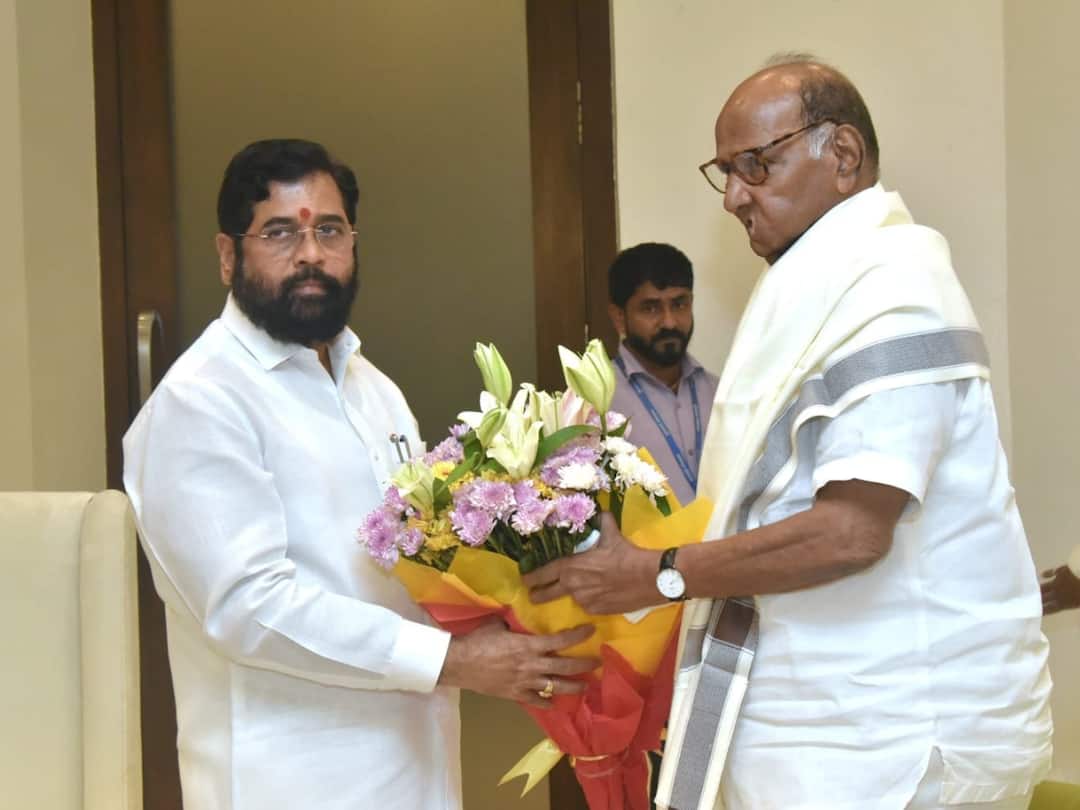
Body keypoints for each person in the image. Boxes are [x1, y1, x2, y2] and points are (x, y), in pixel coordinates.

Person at [524, 57, 1053, 810]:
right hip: (832, 729)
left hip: (896, 739)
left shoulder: (892, 290)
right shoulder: (818, 287)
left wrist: (654, 573)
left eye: (755, 164)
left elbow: (851, 532)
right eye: (725, 172)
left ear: (843, 154)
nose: (734, 196)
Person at [123, 139, 595, 810]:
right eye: (279, 232)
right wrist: (452, 660)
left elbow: (418, 561)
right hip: (291, 783)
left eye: (330, 230)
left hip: (414, 764)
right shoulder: (200, 401)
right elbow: (249, 608)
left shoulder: (373, 387)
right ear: (228, 255)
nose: (311, 254)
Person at [607, 242, 719, 507]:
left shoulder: (722, 393)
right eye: (651, 308)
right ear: (619, 317)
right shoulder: (595, 405)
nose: (669, 322)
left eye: (679, 304)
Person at [1042, 545, 1080, 614]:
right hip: (1060, 587)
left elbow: (1071, 567)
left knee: (1044, 601)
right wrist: (1054, 571)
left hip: (1065, 596)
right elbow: (1072, 566)